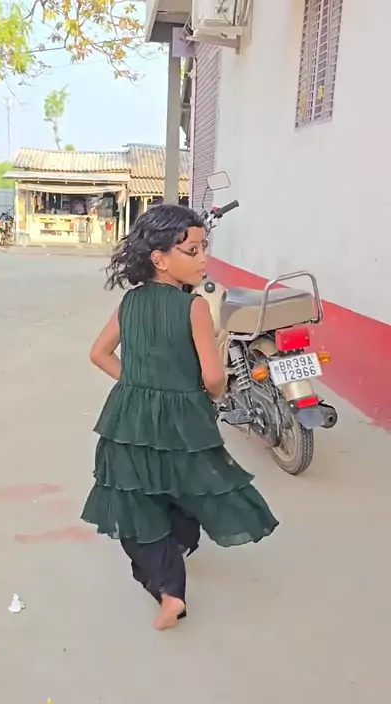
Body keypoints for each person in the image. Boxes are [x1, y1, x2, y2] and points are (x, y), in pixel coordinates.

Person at [81, 204, 278, 630]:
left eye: (204, 247)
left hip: (128, 419)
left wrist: (137, 383)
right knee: (185, 487)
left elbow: (99, 354)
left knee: (137, 498)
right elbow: (213, 377)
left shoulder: (129, 303)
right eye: (192, 250)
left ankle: (169, 591)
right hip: (185, 420)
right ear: (160, 258)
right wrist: (213, 392)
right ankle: (179, 554)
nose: (203, 257)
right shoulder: (195, 308)